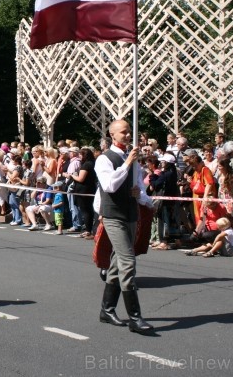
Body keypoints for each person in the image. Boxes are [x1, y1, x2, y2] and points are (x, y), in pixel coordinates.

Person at [95, 119, 154, 334]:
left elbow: (138, 186)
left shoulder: (133, 161)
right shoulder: (104, 159)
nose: (128, 135)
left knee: (117, 264)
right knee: (127, 263)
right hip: (113, 216)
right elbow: (109, 185)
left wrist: (142, 197)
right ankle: (135, 318)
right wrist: (127, 163)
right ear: (113, 135)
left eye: (129, 131)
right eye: (123, 132)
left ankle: (107, 309)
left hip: (130, 214)